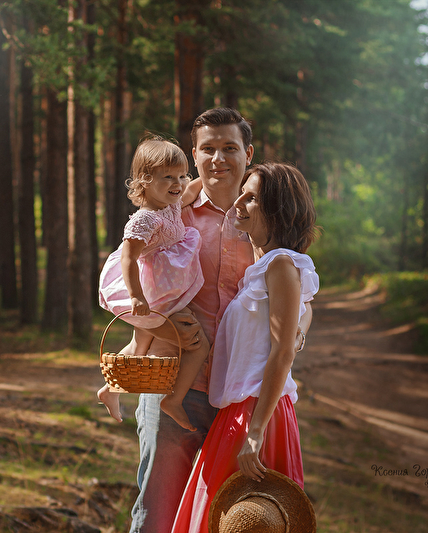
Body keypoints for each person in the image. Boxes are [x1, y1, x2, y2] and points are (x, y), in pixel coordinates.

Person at [171, 162, 319, 533]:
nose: (238, 201)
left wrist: (255, 432)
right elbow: (304, 311)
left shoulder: (281, 264)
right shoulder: (263, 267)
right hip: (237, 411)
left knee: (245, 521)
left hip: (257, 413)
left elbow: (281, 352)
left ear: (277, 210)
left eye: (251, 197)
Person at [128, 107, 257, 533]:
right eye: (208, 149)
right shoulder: (171, 212)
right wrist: (140, 327)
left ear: (248, 153)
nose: (218, 158)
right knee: (157, 514)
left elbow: (296, 284)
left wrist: (299, 329)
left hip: (237, 393)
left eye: (229, 148)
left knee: (223, 518)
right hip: (173, 382)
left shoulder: (264, 218)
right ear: (194, 155)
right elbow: (125, 269)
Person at [98, 135, 210, 431]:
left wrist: (210, 177)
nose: (179, 183)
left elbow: (195, 187)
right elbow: (128, 258)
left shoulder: (171, 203)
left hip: (166, 287)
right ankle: (173, 400)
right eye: (168, 177)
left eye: (182, 175)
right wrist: (136, 296)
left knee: (139, 344)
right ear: (145, 180)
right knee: (198, 345)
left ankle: (110, 389)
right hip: (151, 292)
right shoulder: (145, 219)